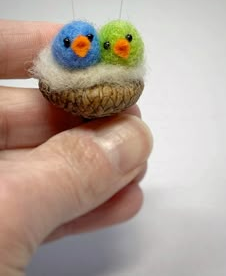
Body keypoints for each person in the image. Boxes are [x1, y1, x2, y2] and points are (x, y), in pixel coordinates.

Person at [0, 20, 153, 275]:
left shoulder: (119, 80)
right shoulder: (62, 80)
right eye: (107, 44)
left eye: (94, 43)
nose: (81, 47)